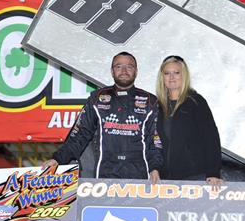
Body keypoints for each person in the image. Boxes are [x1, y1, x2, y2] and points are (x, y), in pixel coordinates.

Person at [44, 52, 162, 183]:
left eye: (129, 66)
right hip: (105, 174)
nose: (124, 70)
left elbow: (154, 141)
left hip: (139, 174)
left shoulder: (150, 101)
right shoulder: (97, 98)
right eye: (118, 66)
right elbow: (80, 134)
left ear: (136, 71)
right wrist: (58, 159)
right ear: (112, 71)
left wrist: (155, 168)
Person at [155, 55, 222, 187]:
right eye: (167, 73)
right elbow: (155, 142)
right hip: (165, 178)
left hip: (195, 175)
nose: (171, 77)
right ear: (162, 77)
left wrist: (213, 172)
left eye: (176, 73)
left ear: (184, 75)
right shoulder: (158, 105)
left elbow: (211, 137)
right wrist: (155, 168)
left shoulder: (196, 102)